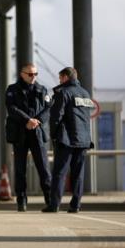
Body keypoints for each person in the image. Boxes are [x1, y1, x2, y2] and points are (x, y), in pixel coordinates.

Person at [43, 67, 95, 213]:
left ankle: (54, 205)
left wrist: (53, 136)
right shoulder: (85, 93)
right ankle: (76, 205)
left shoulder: (62, 93)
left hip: (66, 140)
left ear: (65, 77)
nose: (59, 81)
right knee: (78, 173)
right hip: (83, 140)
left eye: (60, 78)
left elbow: (56, 117)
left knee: (60, 172)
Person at [5, 63, 51, 212]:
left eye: (35, 74)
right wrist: (27, 120)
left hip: (36, 132)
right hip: (20, 133)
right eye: (30, 74)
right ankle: (22, 201)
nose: (33, 77)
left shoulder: (42, 89)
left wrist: (37, 121)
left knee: (43, 168)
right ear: (22, 74)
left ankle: (50, 200)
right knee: (20, 170)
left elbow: (48, 108)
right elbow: (12, 109)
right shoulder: (12, 90)